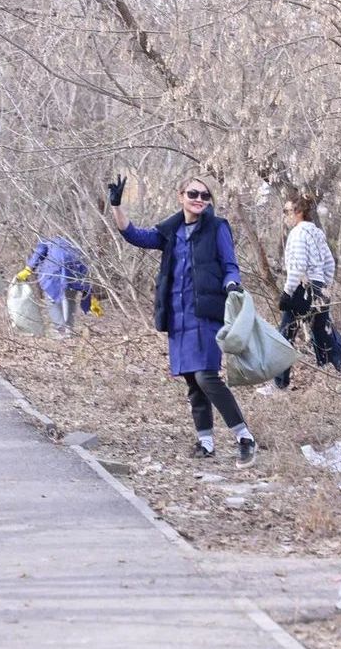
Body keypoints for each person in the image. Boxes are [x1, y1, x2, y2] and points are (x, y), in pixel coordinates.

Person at [108, 173, 257, 469]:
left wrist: (231, 284)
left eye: (204, 196)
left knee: (206, 376)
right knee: (192, 380)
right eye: (193, 194)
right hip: (178, 315)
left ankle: (245, 438)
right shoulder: (171, 230)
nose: (199, 200)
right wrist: (116, 206)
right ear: (181, 196)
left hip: (206, 314)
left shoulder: (217, 228)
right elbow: (135, 235)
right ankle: (205, 442)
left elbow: (230, 265)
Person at [258, 195, 341, 397]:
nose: (285, 216)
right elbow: (330, 262)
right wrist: (324, 285)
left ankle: (279, 386)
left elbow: (297, 268)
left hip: (302, 289)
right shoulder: (316, 233)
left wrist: (287, 293)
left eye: (287, 212)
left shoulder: (297, 234)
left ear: (299, 212)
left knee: (286, 334)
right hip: (319, 288)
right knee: (323, 333)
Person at [15, 237, 103, 337]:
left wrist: (28, 268)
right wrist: (91, 298)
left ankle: (61, 330)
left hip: (54, 270)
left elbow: (39, 253)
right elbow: (86, 270)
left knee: (52, 299)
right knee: (70, 298)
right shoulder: (75, 244)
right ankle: (69, 329)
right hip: (74, 271)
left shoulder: (47, 241)